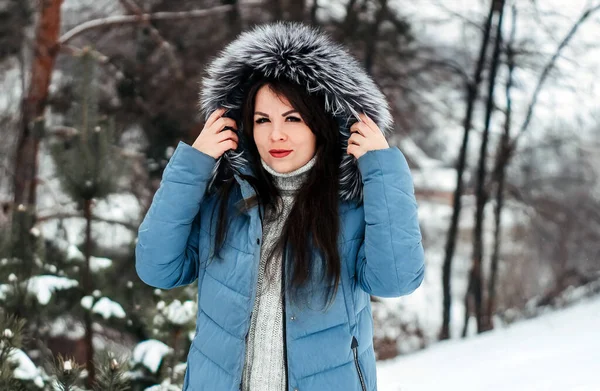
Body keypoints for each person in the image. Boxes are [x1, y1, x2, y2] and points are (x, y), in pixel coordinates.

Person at [136, 22, 425, 391]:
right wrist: (194, 165)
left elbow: (397, 280)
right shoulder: (223, 204)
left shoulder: (350, 210)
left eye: (293, 118)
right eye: (262, 120)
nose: (276, 135)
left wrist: (383, 169)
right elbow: (157, 268)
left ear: (320, 124)